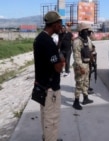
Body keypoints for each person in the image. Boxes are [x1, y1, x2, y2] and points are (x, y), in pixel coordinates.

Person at [33, 11, 65, 141]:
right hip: (50, 89)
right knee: (52, 120)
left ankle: (47, 137)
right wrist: (62, 60)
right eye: (60, 23)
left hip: (42, 86)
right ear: (55, 24)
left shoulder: (39, 39)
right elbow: (57, 67)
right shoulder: (48, 42)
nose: (61, 26)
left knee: (45, 117)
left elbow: (43, 62)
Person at [72, 22, 94, 110]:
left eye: (88, 30)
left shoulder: (88, 40)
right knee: (79, 83)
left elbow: (91, 49)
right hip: (79, 66)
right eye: (86, 30)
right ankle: (76, 101)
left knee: (86, 82)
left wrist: (92, 59)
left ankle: (85, 98)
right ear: (80, 31)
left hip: (87, 64)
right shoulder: (77, 42)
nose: (88, 32)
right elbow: (76, 57)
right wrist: (81, 67)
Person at [87, 28, 96, 94]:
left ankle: (87, 87)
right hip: (88, 60)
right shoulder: (87, 40)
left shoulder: (88, 39)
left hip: (89, 59)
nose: (92, 34)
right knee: (87, 75)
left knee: (89, 75)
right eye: (91, 33)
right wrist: (93, 62)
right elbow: (90, 52)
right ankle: (86, 89)